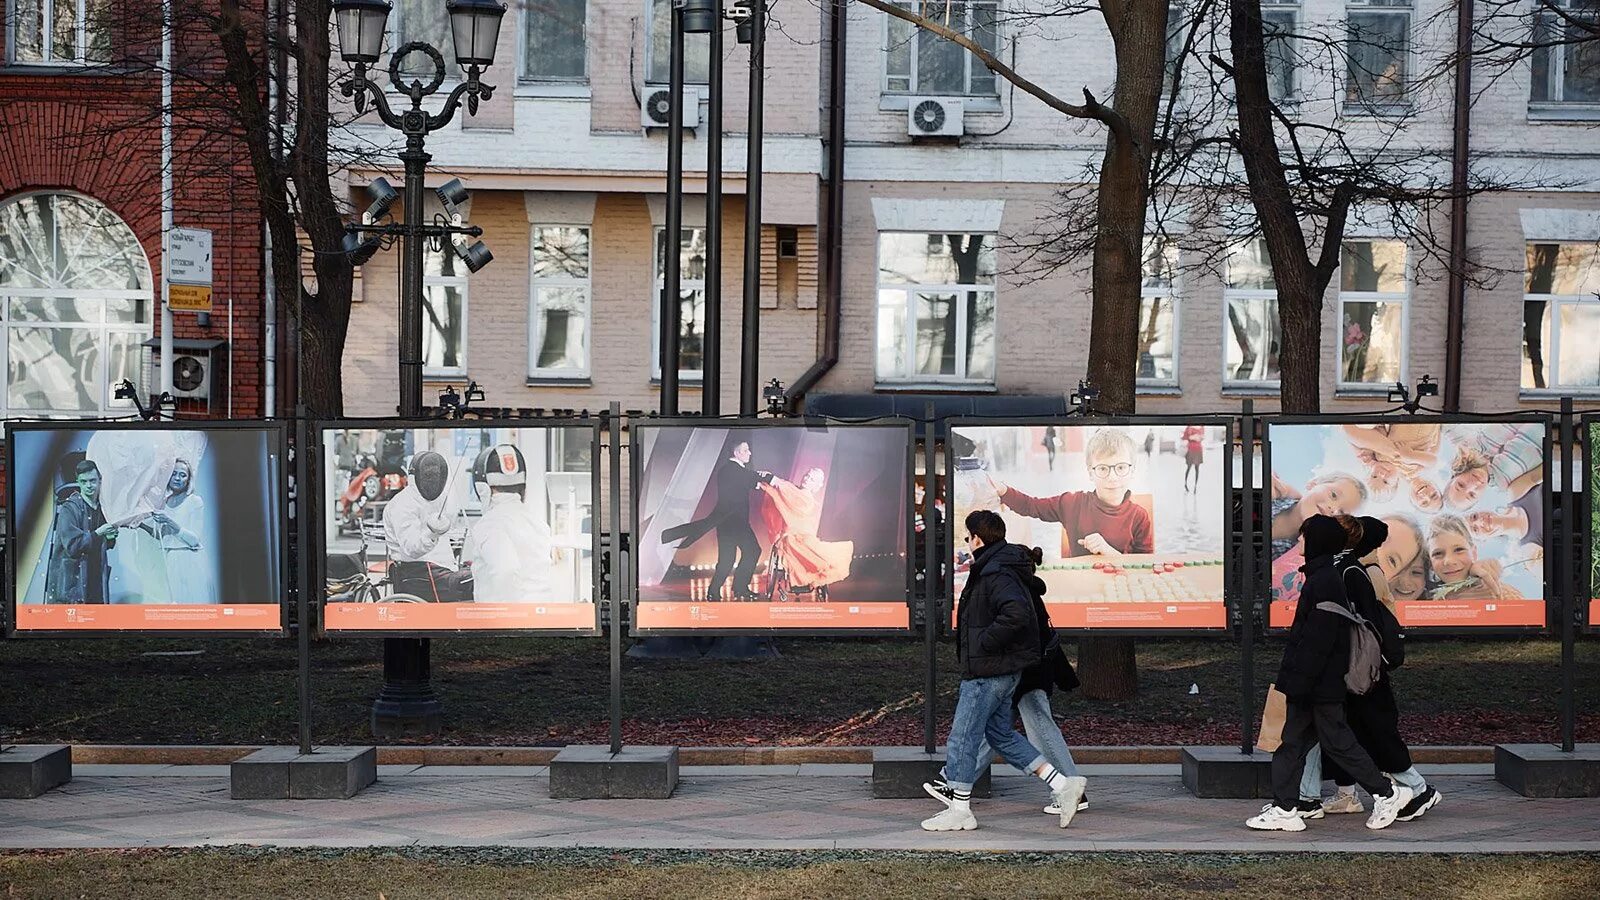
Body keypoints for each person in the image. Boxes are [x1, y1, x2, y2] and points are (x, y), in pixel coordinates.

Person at [921, 511, 1087, 832]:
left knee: (964, 735)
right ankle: (1062, 785)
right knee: (1001, 736)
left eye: (968, 537)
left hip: (988, 670)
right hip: (1000, 669)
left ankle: (959, 807)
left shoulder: (995, 571)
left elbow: (1016, 614)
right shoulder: (999, 566)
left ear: (977, 539)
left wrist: (984, 643)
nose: (967, 544)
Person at [1247, 514, 1414, 832]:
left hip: (1316, 686)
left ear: (1317, 542)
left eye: (1303, 537)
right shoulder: (1322, 577)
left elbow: (1318, 642)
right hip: (1318, 684)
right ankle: (1287, 809)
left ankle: (1387, 793)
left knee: (1320, 744)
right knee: (1298, 744)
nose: (1298, 542)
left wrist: (1297, 684)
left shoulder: (1324, 581)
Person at [1297, 516, 1442, 822]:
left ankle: (1416, 789)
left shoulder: (1349, 572)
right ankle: (1313, 797)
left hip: (1360, 671)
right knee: (1337, 732)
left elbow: (1362, 626)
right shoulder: (1342, 569)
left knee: (1374, 733)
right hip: (1349, 669)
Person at [987, 429, 1153, 558]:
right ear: (1090, 472)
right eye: (1103, 468)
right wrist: (1003, 490)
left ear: (1132, 471)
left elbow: (1144, 568)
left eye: (1121, 467)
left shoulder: (1140, 516)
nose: (1112, 477)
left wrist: (1108, 551)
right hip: (1080, 586)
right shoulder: (1072, 503)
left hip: (1122, 590)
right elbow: (1031, 505)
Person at [660, 439, 773, 601]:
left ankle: (726, 590)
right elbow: (749, 478)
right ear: (736, 453)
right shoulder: (731, 470)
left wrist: (761, 481)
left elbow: (746, 483)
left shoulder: (734, 471)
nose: (749, 453)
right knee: (746, 553)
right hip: (733, 523)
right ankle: (733, 589)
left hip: (732, 523)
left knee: (733, 557)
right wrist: (766, 477)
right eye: (745, 450)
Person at [463, 444, 554, 604]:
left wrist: (504, 620)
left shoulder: (490, 523)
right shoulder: (535, 520)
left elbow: (506, 569)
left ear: (482, 488)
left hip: (511, 620)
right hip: (542, 613)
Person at [384, 450, 472, 602]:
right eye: (428, 475)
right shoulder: (402, 504)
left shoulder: (438, 500)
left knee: (483, 573)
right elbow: (412, 549)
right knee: (473, 581)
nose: (433, 480)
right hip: (419, 576)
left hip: (442, 572)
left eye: (436, 475)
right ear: (416, 476)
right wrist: (431, 534)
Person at [757, 467, 853, 599]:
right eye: (807, 475)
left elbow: (787, 493)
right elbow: (781, 494)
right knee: (792, 541)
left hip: (801, 537)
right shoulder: (794, 491)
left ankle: (809, 575)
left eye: (812, 479)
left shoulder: (805, 498)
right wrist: (768, 484)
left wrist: (774, 481)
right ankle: (803, 576)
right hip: (790, 537)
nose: (807, 479)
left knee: (805, 545)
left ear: (816, 486)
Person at [44, 460, 119, 604]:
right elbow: (73, 546)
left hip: (95, 581)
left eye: (92, 481)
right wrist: (99, 533)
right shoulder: (70, 508)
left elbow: (101, 543)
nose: (89, 486)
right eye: (84, 482)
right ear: (78, 481)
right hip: (73, 587)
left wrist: (108, 539)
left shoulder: (102, 508)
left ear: (100, 480)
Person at [141, 459, 213, 604]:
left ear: (188, 479)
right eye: (174, 474)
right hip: (171, 559)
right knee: (176, 605)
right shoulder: (164, 502)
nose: (178, 478)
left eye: (182, 475)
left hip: (190, 559)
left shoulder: (194, 501)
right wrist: (139, 525)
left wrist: (169, 520)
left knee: (194, 604)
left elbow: (194, 540)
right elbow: (161, 535)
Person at [1442, 423, 1543, 511]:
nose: (1473, 484)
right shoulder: (1504, 483)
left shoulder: (1469, 447)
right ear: (1480, 498)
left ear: (1455, 475)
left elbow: (1445, 426)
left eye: (1460, 484)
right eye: (1472, 495)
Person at [1269, 471, 1366, 560]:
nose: (1333, 509)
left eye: (1341, 512)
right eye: (1333, 495)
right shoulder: (1270, 490)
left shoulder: (1298, 558)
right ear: (1313, 484)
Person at [1425, 514, 1523, 601]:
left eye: (1459, 550)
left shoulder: (1498, 592)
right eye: (1438, 554)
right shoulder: (1427, 599)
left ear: (1474, 553)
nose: (1449, 561)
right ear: (1430, 563)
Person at [1182, 425, 1205, 493]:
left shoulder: (1201, 427)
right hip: (1191, 449)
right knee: (1189, 467)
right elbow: (1186, 437)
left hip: (1198, 449)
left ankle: (1195, 486)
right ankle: (1186, 483)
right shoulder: (1189, 427)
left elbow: (1202, 437)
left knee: (1197, 468)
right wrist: (1194, 437)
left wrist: (1195, 437)